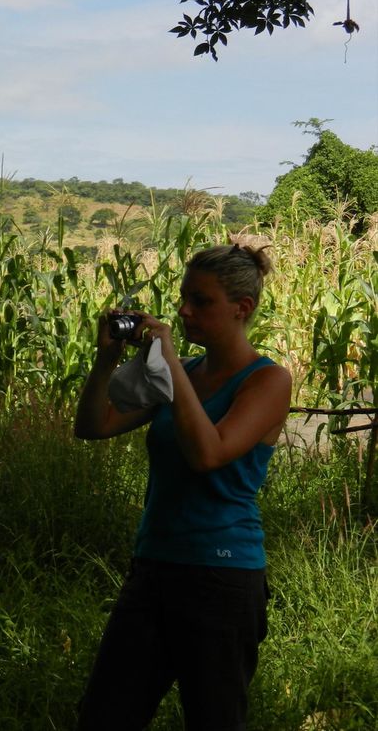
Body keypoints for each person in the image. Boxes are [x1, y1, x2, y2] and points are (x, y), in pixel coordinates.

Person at [73, 243, 292, 730]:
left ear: (243, 308)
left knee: (213, 719)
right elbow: (94, 426)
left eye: (201, 301)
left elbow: (208, 455)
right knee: (105, 716)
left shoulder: (268, 380)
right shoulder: (186, 372)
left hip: (222, 579)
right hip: (153, 569)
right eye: (182, 299)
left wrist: (169, 361)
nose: (184, 311)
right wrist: (104, 362)